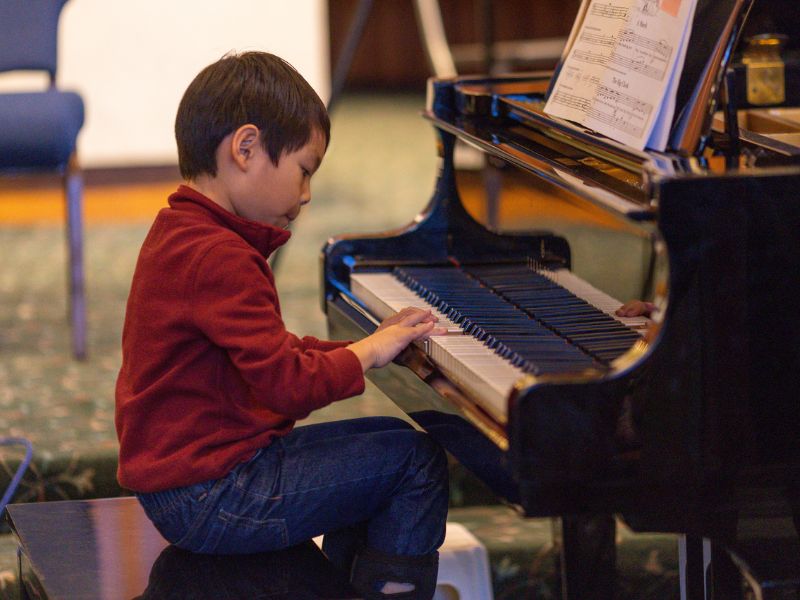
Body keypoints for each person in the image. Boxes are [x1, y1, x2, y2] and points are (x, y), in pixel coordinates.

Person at [115, 51, 449, 600]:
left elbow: (272, 354)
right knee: (415, 463)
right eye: (304, 170)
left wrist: (367, 344)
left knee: (389, 442)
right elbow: (287, 384)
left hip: (191, 487)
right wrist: (369, 353)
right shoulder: (220, 256)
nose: (307, 194)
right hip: (214, 497)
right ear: (245, 148)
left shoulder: (182, 231)